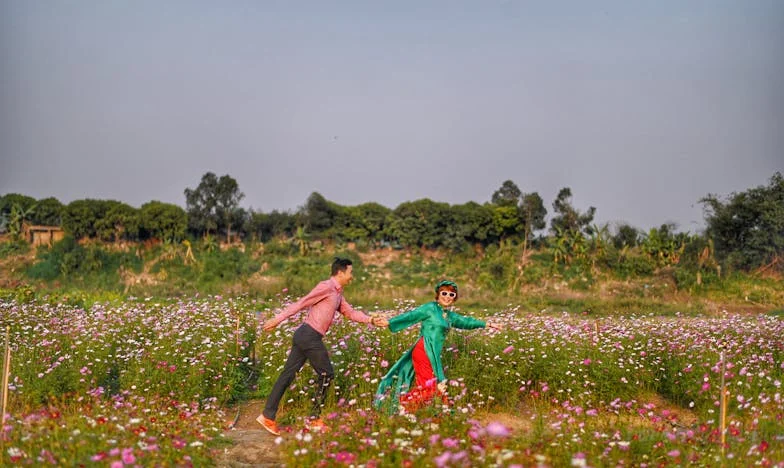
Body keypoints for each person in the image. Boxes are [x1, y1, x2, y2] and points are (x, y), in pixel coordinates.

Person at [256, 257, 387, 435]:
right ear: (340, 273)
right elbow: (302, 303)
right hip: (309, 336)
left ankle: (267, 416)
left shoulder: (338, 294)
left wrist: (371, 319)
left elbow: (350, 313)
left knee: (287, 375)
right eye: (350, 272)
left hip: (306, 336)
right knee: (327, 374)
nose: (352, 276)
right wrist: (277, 320)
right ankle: (313, 419)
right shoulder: (326, 287)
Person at [374, 280, 502, 413]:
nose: (447, 297)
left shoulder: (449, 316)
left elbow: (466, 321)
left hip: (433, 353)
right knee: (429, 385)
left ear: (454, 298)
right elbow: (411, 316)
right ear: (438, 295)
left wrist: (487, 324)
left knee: (433, 383)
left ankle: (433, 412)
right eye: (444, 293)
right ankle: (403, 404)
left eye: (451, 294)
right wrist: (389, 322)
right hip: (424, 349)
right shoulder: (430, 308)